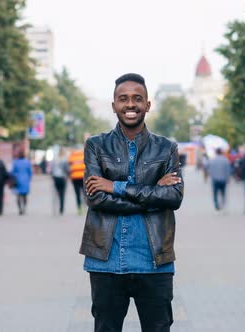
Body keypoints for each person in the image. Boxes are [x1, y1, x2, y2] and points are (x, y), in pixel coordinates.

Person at [81, 73, 183, 331]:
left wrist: (115, 186)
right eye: (123, 98)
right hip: (106, 260)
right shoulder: (95, 146)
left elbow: (173, 197)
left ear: (148, 105)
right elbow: (96, 198)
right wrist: (152, 195)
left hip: (154, 261)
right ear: (113, 104)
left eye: (137, 98)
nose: (130, 104)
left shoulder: (166, 149)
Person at [206, 147, 231, 212]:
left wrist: (210, 175)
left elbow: (208, 169)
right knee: (223, 193)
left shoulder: (212, 160)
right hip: (223, 179)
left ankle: (217, 206)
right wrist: (228, 178)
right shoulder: (225, 160)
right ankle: (223, 205)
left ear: (216, 152)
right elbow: (228, 170)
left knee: (215, 193)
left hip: (215, 179)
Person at [11, 150, 32, 215]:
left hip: (17, 180)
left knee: (18, 195)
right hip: (25, 180)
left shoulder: (15, 162)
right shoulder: (27, 162)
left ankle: (20, 208)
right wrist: (29, 178)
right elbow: (30, 172)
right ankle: (24, 208)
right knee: (24, 195)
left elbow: (13, 172)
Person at [68, 147, 86, 215]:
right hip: (82, 177)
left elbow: (69, 167)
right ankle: (85, 207)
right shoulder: (83, 155)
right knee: (84, 193)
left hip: (74, 178)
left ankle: (79, 208)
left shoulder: (72, 156)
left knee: (77, 193)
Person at [51, 148, 69, 216]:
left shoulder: (55, 159)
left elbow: (52, 169)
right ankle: (61, 209)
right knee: (62, 194)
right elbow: (67, 169)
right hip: (62, 177)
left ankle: (55, 208)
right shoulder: (64, 159)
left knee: (56, 192)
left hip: (56, 177)